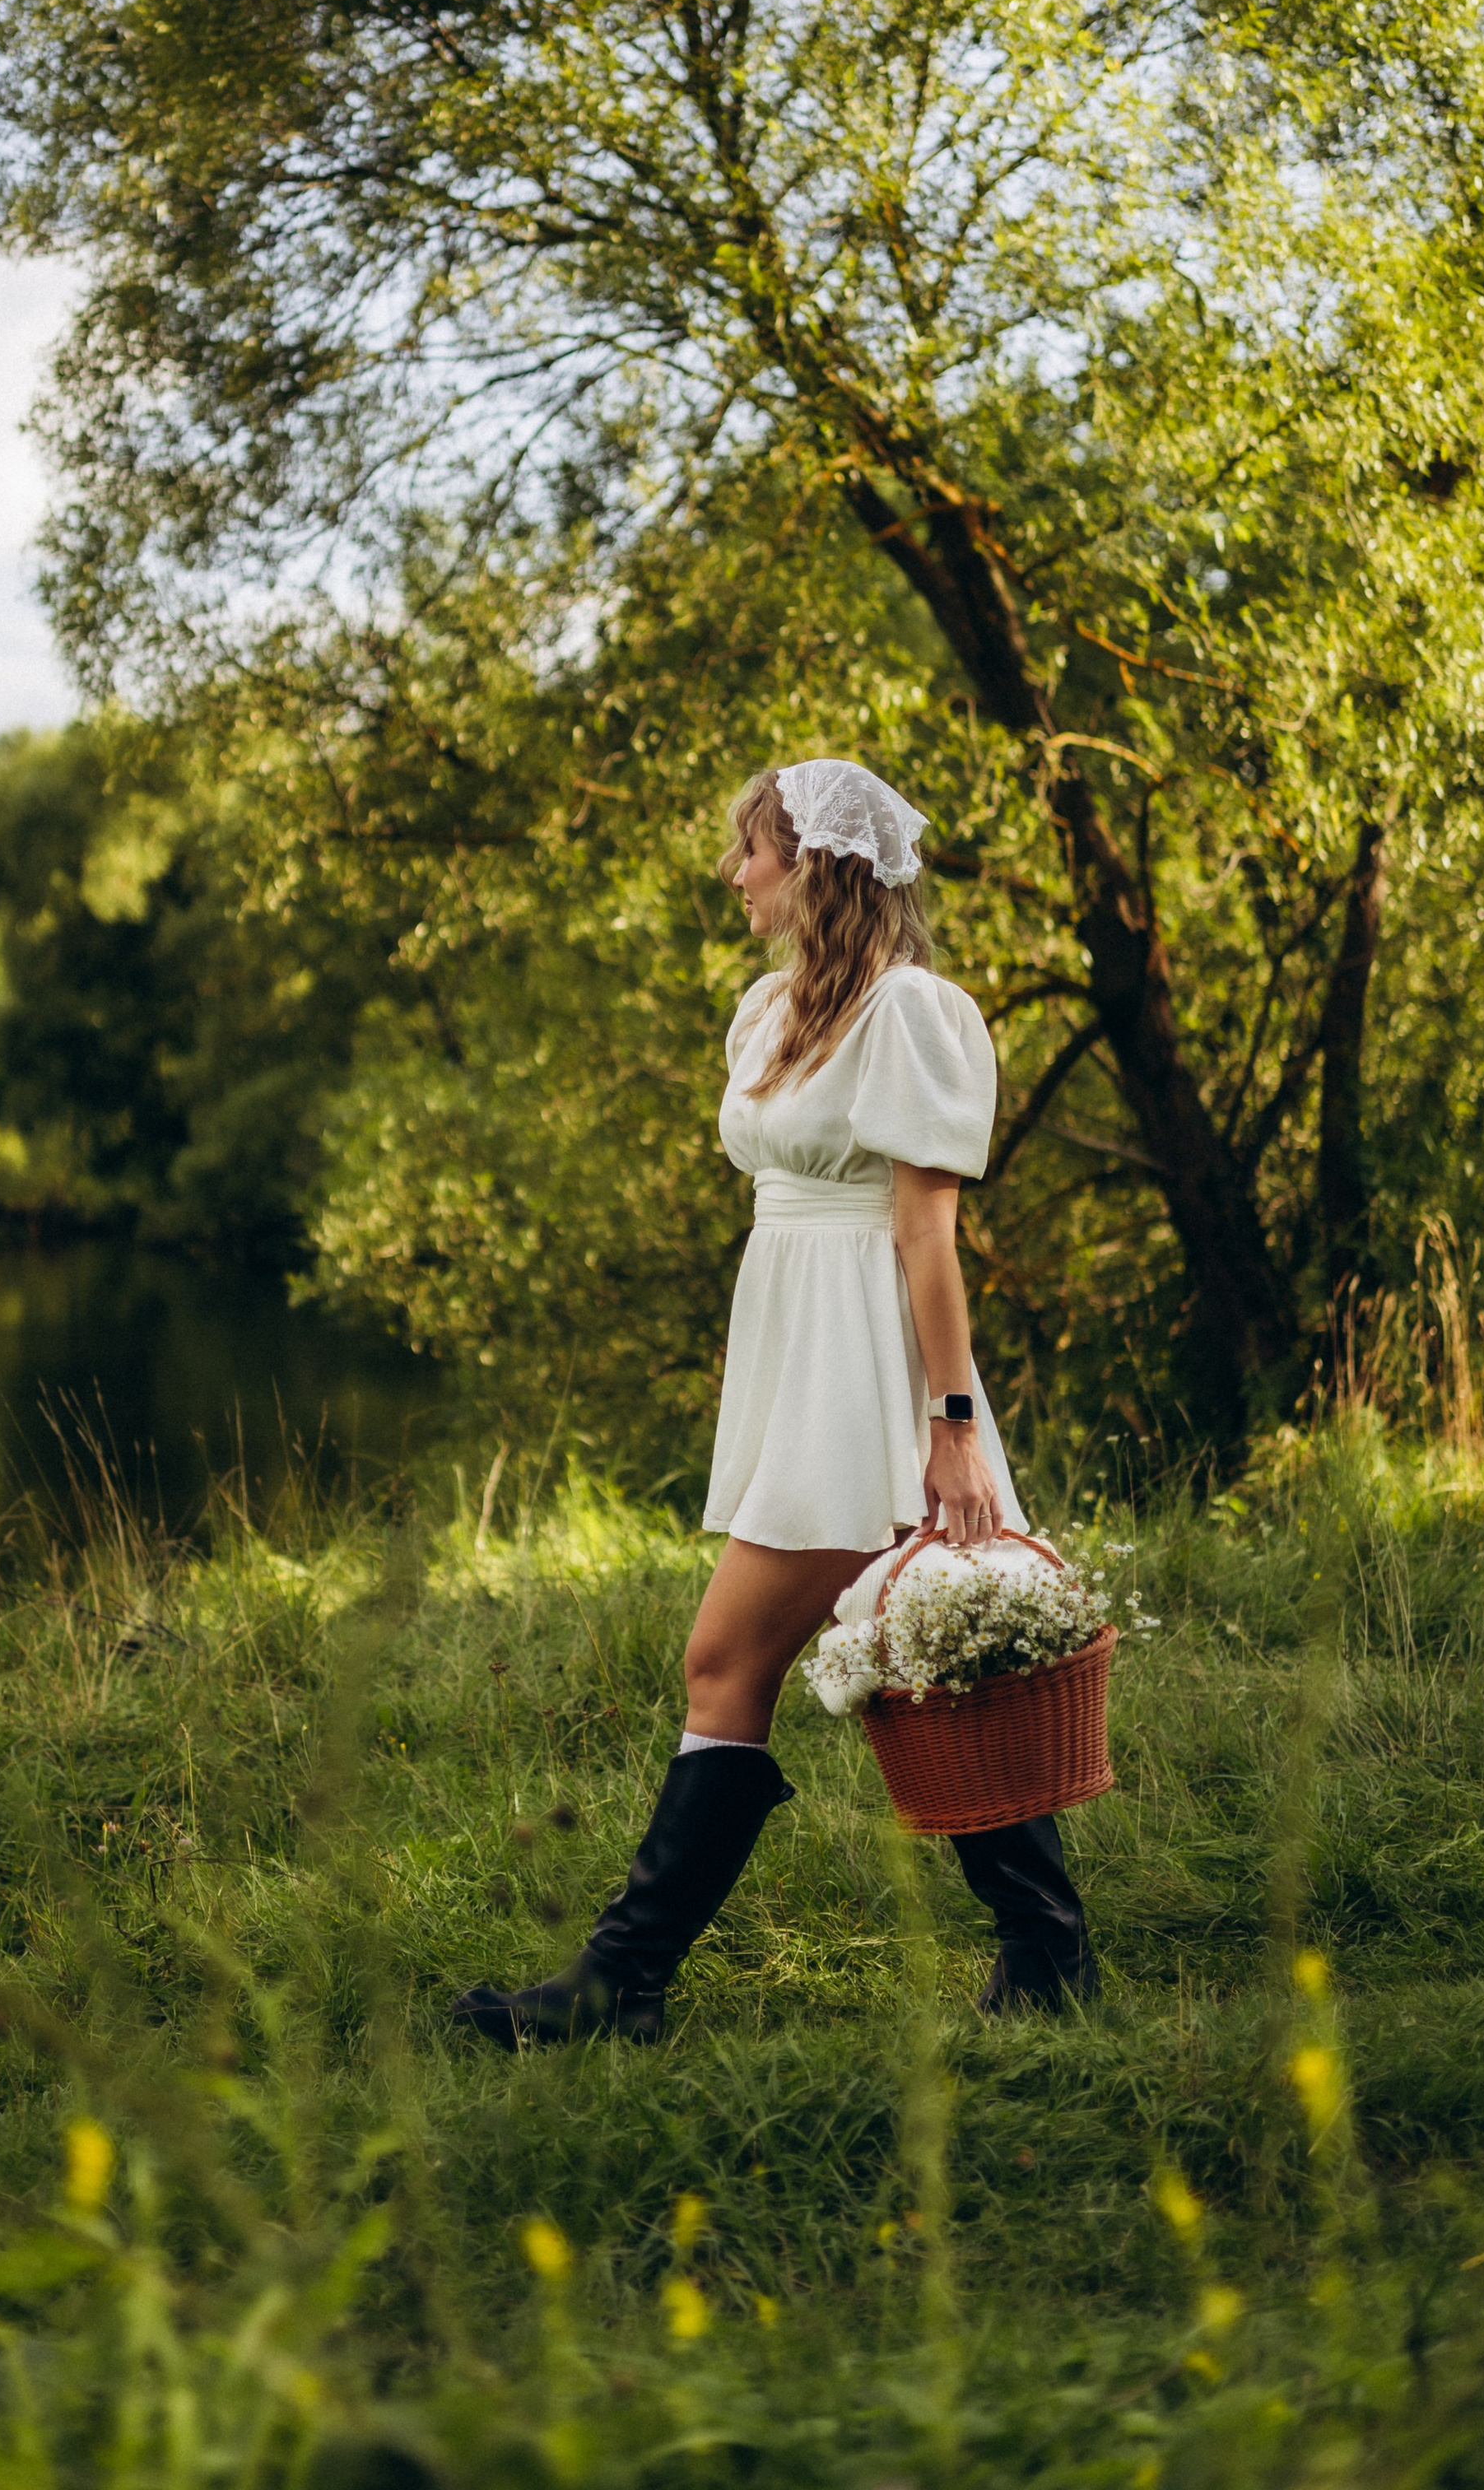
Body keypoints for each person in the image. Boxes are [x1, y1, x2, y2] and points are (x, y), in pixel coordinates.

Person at [449, 757, 1096, 2049]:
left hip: (867, 1355)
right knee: (925, 1665)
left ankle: (621, 1980)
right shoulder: (771, 1008)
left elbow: (925, 1236)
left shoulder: (911, 1011)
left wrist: (952, 1427)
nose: (733, 872)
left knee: (729, 1662)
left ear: (818, 865)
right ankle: (1049, 1955)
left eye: (751, 849)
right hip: (795, 1343)